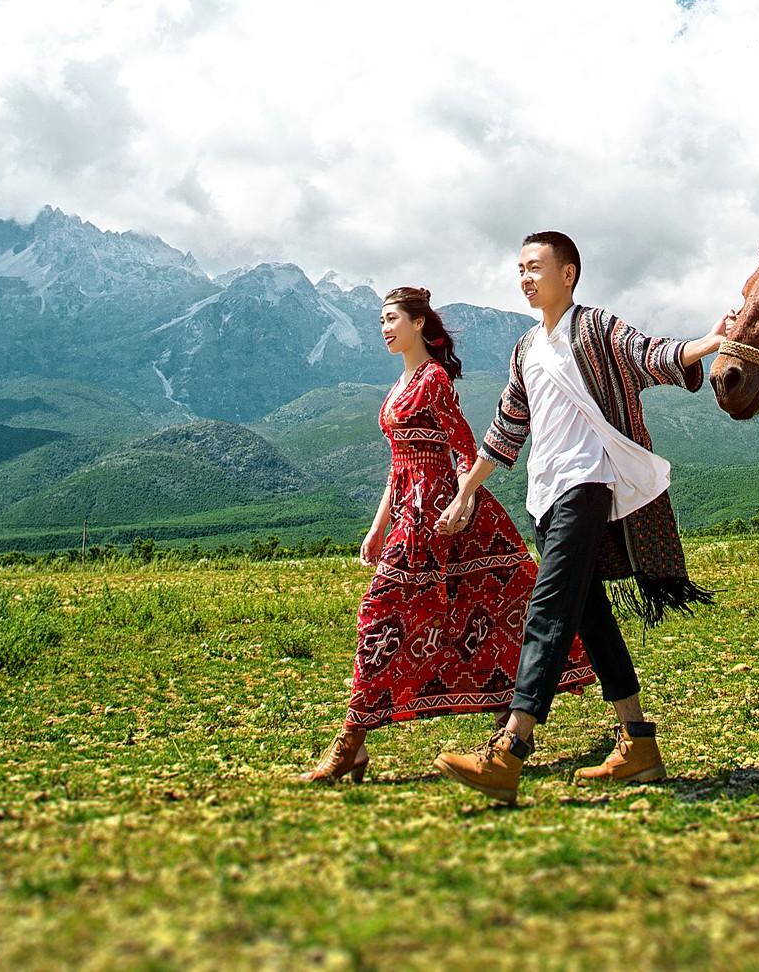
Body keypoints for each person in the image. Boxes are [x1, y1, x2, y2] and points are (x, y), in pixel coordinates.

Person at [431, 230, 725, 805]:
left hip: (587, 483)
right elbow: (507, 428)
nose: (525, 276)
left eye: (535, 266)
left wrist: (709, 340)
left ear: (568, 274)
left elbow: (652, 354)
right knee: (590, 617)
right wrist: (466, 491)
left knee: (549, 607)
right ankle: (639, 743)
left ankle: (510, 749)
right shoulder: (525, 349)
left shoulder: (595, 328)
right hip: (544, 493)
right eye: (520, 268)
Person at [300, 286, 592, 783]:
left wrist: (463, 502)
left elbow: (462, 447)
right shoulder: (398, 386)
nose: (385, 328)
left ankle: (358, 740)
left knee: (486, 612)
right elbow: (398, 469)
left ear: (419, 324)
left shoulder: (433, 379)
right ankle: (359, 741)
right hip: (410, 518)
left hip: (444, 516)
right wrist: (376, 530)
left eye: (393, 319)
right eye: (381, 321)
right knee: (392, 616)